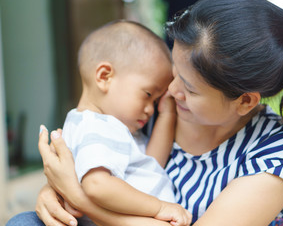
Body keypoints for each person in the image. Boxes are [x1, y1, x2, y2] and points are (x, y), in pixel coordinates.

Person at [7, 0, 283, 226]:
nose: (171, 93)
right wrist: (56, 194)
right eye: (174, 73)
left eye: (188, 88)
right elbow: (103, 159)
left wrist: (80, 196)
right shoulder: (154, 105)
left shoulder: (278, 151)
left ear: (245, 101)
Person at [17, 20, 192, 226]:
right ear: (104, 76)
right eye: (147, 94)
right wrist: (160, 207)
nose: (150, 109)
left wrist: (167, 114)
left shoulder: (109, 125)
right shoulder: (97, 127)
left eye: (155, 101)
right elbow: (97, 186)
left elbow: (151, 163)